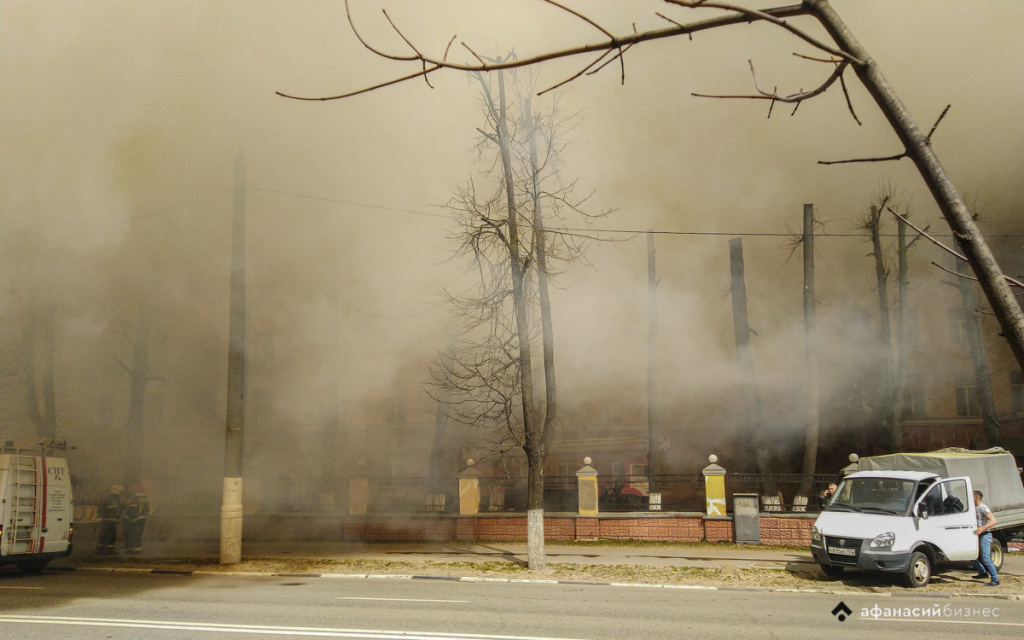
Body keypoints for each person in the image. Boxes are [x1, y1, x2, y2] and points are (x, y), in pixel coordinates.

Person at [970, 490, 999, 586]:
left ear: (976, 497)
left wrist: (982, 528)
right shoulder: (973, 507)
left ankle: (995, 580)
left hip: (985, 535)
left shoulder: (983, 507)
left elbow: (993, 521)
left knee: (986, 558)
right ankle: (982, 573)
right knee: (971, 555)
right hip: (977, 535)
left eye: (971, 495)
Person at [96, 484, 124, 556]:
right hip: (112, 521)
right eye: (120, 491)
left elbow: (101, 510)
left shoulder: (107, 498)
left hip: (105, 521)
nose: (120, 493)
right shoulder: (115, 499)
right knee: (111, 536)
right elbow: (118, 510)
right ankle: (109, 551)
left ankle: (99, 550)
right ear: (117, 491)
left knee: (103, 535)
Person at [122, 485, 150, 554]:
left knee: (133, 534)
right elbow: (147, 509)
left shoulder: (134, 498)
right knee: (138, 535)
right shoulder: (145, 498)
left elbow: (132, 510)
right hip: (142, 519)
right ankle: (137, 549)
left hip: (135, 519)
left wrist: (127, 517)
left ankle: (134, 550)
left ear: (135, 490)